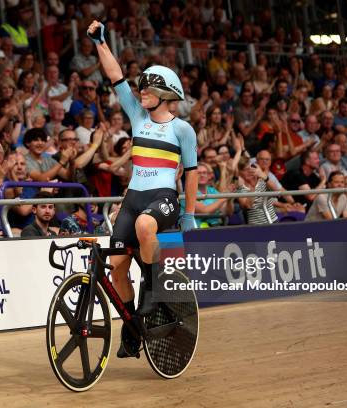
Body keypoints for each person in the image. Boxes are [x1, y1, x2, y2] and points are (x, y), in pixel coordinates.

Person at [87, 20, 198, 358]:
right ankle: (133, 323)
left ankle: (153, 291)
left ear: (166, 93)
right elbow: (115, 77)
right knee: (118, 268)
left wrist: (189, 214)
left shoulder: (183, 130)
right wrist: (100, 42)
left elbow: (191, 173)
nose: (141, 93)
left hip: (162, 199)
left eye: (148, 89)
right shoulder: (137, 115)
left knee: (144, 226)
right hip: (135, 198)